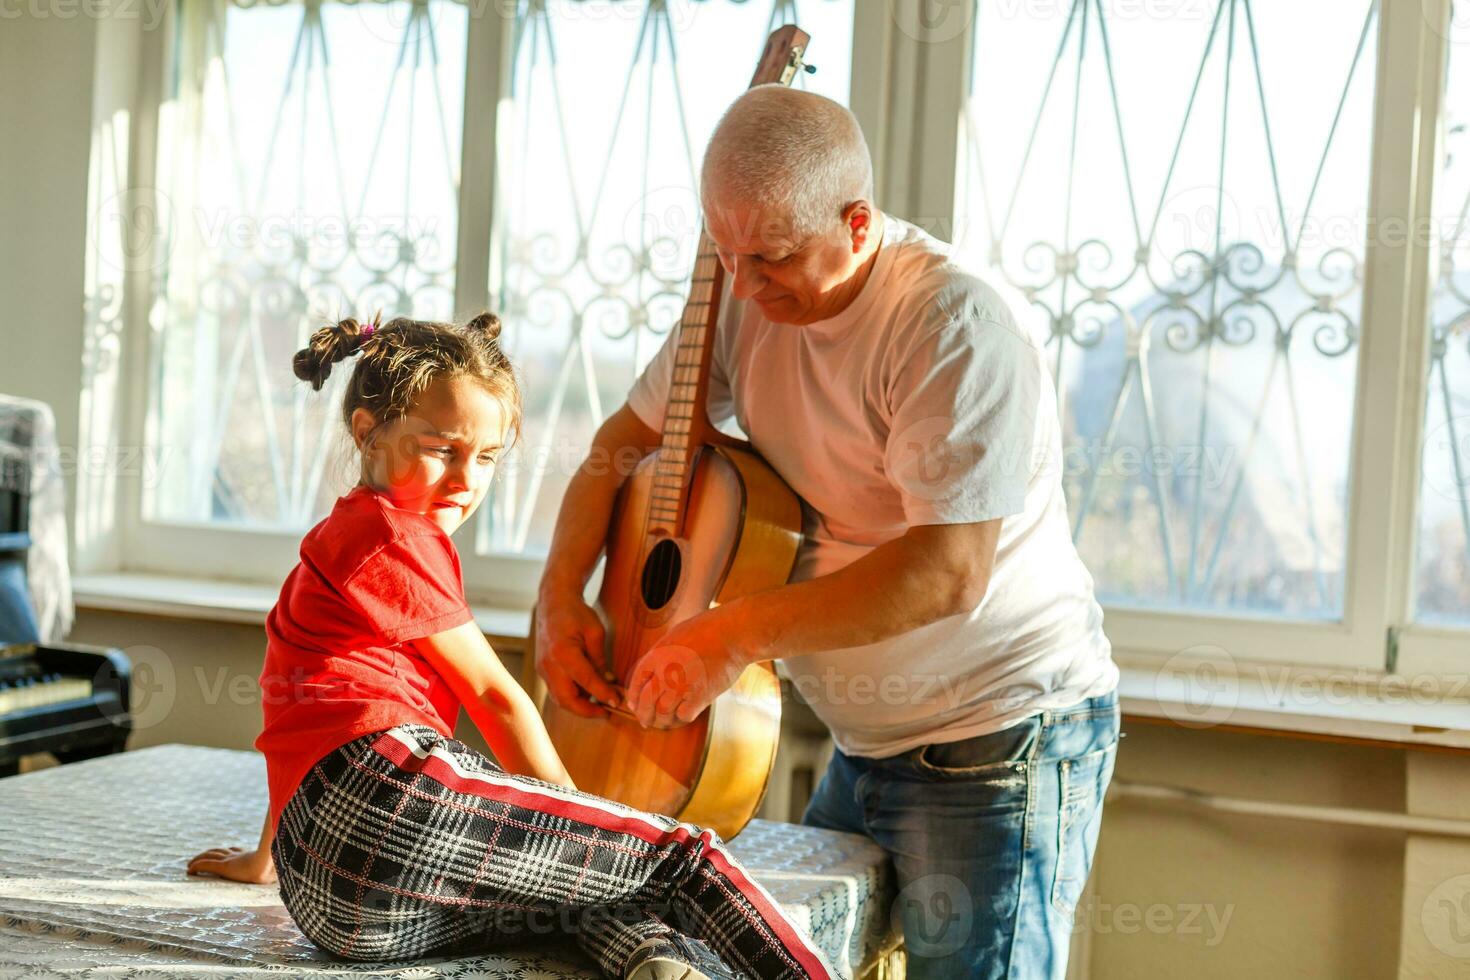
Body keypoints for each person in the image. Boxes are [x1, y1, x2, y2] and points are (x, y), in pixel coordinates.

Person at [535, 85, 1121, 979]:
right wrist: (558, 596)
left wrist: (730, 635)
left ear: (856, 223)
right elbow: (623, 446)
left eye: (771, 257)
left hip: (997, 740)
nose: (744, 284)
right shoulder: (745, 297)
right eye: (726, 253)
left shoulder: (952, 327)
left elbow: (946, 571)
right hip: (865, 742)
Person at [185, 312, 834, 980]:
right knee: (681, 858)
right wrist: (590, 822)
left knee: (566, 894)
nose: (466, 478)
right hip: (383, 805)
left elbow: (298, 726)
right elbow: (498, 698)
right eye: (441, 449)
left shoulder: (326, 550)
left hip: (325, 897)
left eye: (487, 457)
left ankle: (658, 964)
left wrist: (264, 860)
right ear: (367, 433)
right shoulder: (391, 535)